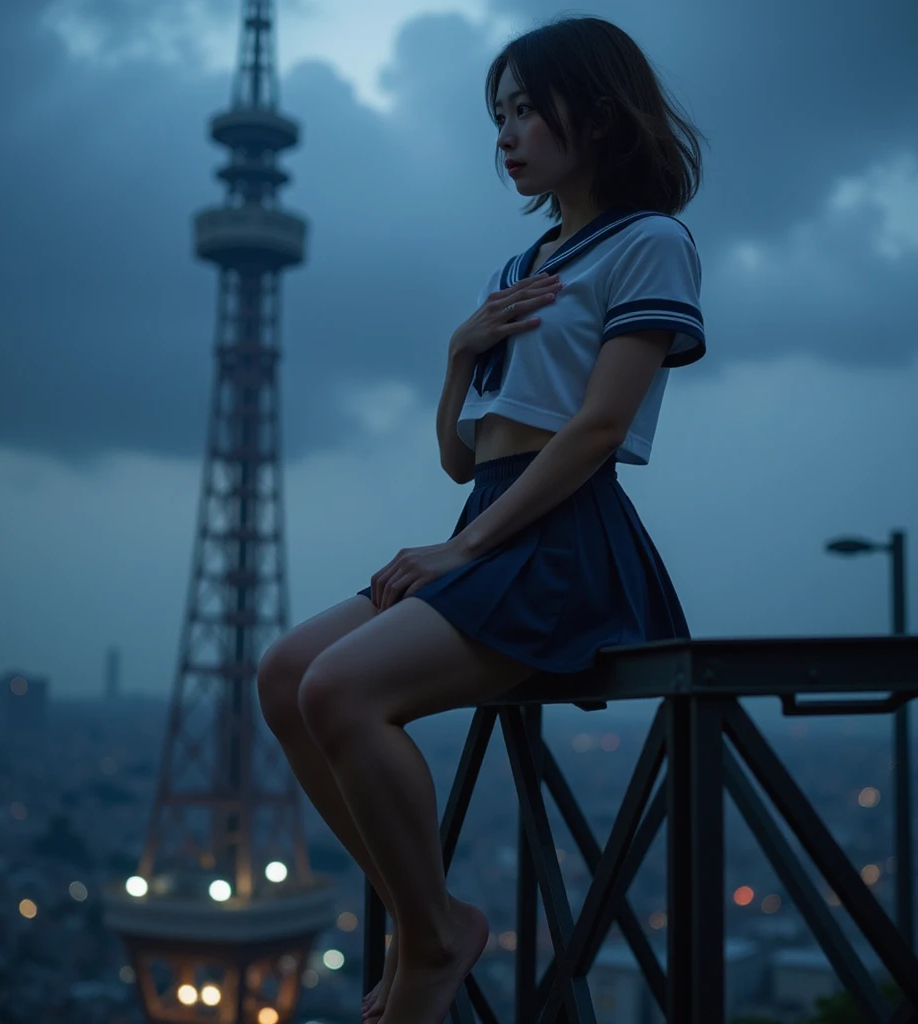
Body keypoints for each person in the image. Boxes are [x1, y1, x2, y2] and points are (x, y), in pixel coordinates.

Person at [257, 15, 707, 1024]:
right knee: (284, 673)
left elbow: (596, 429)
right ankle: (428, 914)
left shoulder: (649, 243)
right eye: (495, 116)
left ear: (592, 112)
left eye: (523, 111)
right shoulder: (515, 270)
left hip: (560, 539)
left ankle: (430, 936)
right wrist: (460, 352)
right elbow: (464, 454)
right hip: (489, 516)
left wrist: (462, 547)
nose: (504, 135)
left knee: (338, 688)